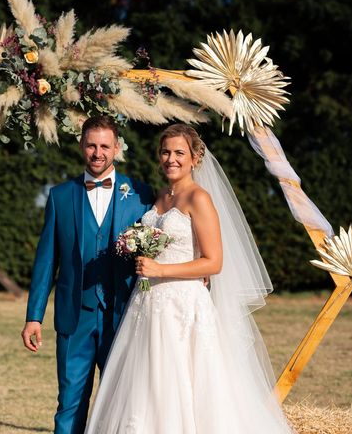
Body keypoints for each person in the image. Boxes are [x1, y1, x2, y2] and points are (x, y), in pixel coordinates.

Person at [85, 124, 294, 433]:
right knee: (147, 382)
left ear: (196, 158)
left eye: (179, 152)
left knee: (182, 382)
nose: (171, 158)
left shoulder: (199, 198)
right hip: (148, 303)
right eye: (166, 152)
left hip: (184, 309)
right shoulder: (161, 196)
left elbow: (214, 262)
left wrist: (161, 270)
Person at [21, 115, 153, 434]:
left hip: (123, 317)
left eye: (105, 146)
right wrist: (33, 316)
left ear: (117, 148)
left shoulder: (140, 194)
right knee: (69, 401)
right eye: (91, 145)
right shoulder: (60, 196)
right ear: (81, 145)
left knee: (121, 402)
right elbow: (45, 262)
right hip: (74, 317)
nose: (98, 153)